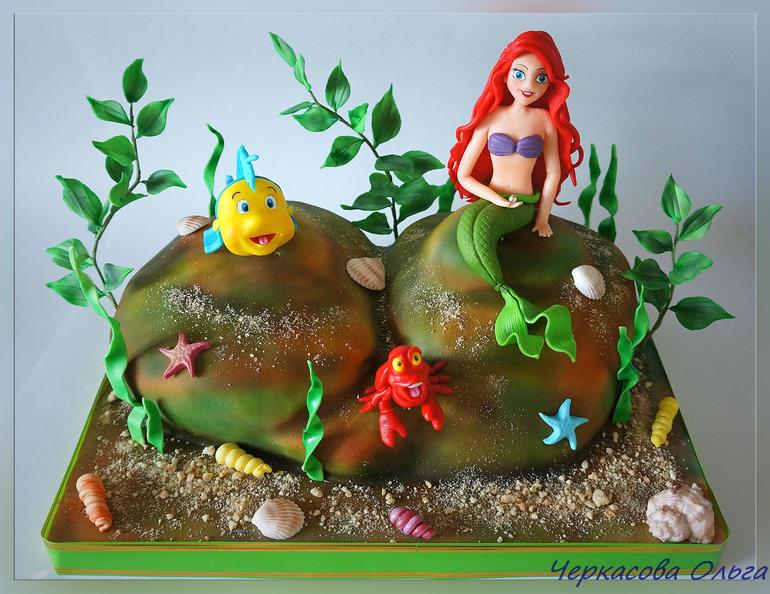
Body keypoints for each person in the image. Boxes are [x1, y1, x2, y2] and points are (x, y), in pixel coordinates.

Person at [448, 31, 583, 238]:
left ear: (550, 83)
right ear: (504, 74)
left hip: (523, 202)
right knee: (466, 225)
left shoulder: (545, 120)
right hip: (491, 197)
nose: (529, 86)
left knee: (482, 231)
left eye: (541, 78)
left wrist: (543, 218)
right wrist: (495, 199)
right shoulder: (491, 118)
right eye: (519, 74)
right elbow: (463, 175)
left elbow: (553, 173)